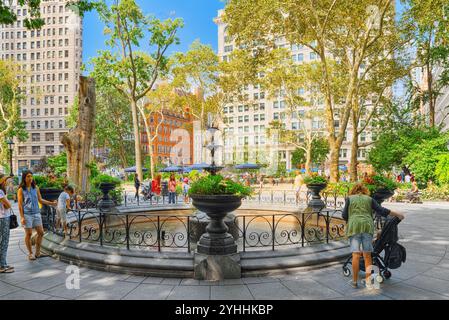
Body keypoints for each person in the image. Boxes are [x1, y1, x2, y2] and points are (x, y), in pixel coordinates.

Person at [342, 183, 404, 289]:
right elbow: (382, 210)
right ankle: (368, 281)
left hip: (354, 227)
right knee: (367, 255)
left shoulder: (349, 199)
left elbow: (344, 215)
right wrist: (398, 214)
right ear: (365, 191)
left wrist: (352, 218)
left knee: (356, 255)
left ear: (353, 191)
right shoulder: (369, 199)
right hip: (367, 226)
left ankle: (354, 281)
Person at [17, 170, 57, 261]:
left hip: (36, 213)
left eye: (31, 176)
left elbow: (40, 200)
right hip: (27, 214)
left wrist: (51, 203)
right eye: (28, 176)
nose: (30, 178)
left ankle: (38, 253)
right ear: (24, 178)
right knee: (29, 233)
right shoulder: (20, 190)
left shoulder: (36, 188)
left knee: (41, 232)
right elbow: (20, 205)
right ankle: (30, 253)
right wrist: (22, 217)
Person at [0, 176, 14, 273]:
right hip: (3, 218)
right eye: (5, 180)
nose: (6, 182)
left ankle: (3, 263)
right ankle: (2, 266)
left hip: (3, 217)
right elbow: (8, 205)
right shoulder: (0, 192)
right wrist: (8, 202)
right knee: (4, 241)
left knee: (3, 241)